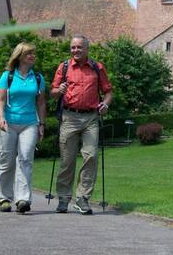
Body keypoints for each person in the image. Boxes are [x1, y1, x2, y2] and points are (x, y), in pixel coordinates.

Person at [50, 35, 113, 214]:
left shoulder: (97, 67)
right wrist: (58, 90)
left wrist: (105, 104)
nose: (75, 50)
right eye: (73, 47)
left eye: (79, 47)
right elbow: (52, 92)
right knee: (67, 160)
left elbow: (108, 92)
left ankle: (83, 198)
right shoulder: (64, 67)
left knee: (91, 156)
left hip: (91, 118)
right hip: (69, 117)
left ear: (87, 49)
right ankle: (63, 198)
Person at [0, 42, 47, 214]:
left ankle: (23, 199)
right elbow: (0, 100)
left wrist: (41, 124)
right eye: (29, 54)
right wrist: (1, 118)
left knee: (25, 159)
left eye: (33, 54)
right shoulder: (7, 76)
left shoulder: (38, 78)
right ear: (20, 56)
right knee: (7, 160)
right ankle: (4, 198)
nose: (33, 56)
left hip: (30, 123)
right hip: (8, 123)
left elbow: (41, 102)